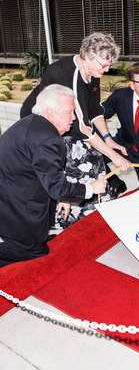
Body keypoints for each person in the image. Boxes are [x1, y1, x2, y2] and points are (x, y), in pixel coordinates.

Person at [20, 32, 129, 228]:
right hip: (43, 126)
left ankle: (91, 209)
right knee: (73, 167)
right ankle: (62, 218)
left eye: (109, 65)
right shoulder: (66, 75)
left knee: (96, 160)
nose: (106, 70)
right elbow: (83, 131)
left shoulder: (91, 72)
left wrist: (107, 138)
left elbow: (95, 110)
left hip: (70, 123)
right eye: (103, 65)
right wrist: (115, 156)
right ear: (87, 56)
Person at [0, 85, 107, 267]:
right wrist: (91, 188)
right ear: (50, 112)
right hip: (18, 204)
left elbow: (46, 174)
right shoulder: (48, 140)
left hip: (14, 188)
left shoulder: (32, 122)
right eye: (69, 112)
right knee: (35, 254)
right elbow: (57, 187)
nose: (73, 118)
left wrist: (63, 196)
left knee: (38, 239)